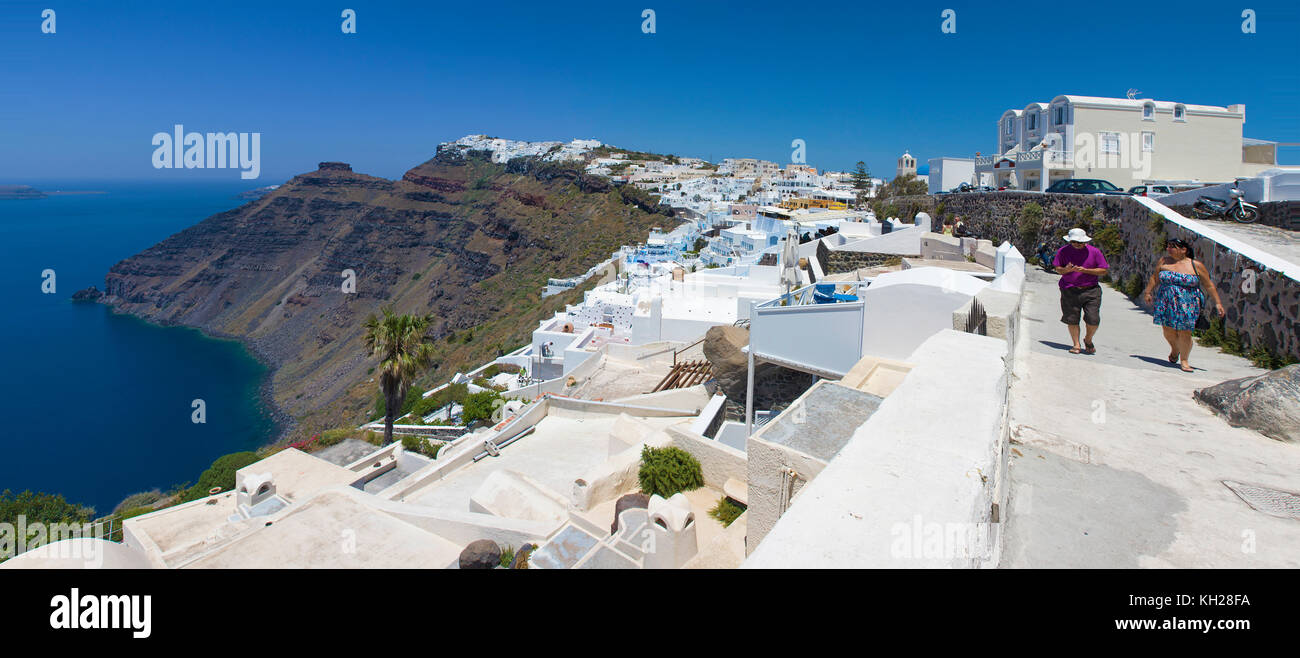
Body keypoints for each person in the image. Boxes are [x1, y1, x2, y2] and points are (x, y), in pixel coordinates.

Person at [1143, 238, 1225, 372]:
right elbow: (1154, 277)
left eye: (1172, 247)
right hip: (1166, 301)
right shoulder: (1164, 261)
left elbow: (1209, 285)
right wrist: (1148, 292)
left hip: (1188, 303)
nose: (1168, 249)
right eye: (1168, 246)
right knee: (1168, 331)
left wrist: (1218, 303)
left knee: (1184, 332)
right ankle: (1175, 349)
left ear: (1183, 250)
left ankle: (1184, 360)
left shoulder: (1195, 265)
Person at [1053, 228, 1109, 354]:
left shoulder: (1094, 252)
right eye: (1074, 242)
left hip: (1091, 290)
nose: (1077, 244)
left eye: (1080, 242)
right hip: (1069, 289)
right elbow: (1058, 269)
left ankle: (1088, 339)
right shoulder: (1063, 251)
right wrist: (1066, 270)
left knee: (1093, 319)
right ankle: (1076, 344)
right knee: (1071, 318)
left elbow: (1103, 270)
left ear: (1085, 241)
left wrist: (1085, 270)